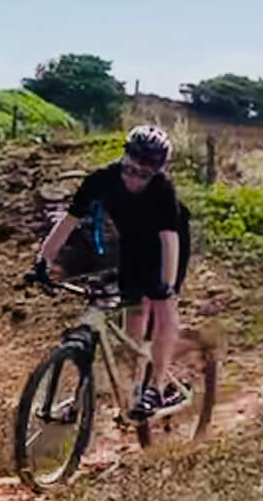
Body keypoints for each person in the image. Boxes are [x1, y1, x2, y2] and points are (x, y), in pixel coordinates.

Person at [32, 125, 192, 420]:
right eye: (129, 169)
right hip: (132, 244)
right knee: (133, 319)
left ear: (157, 171)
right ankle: (132, 388)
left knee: (161, 304)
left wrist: (166, 286)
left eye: (143, 174)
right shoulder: (101, 180)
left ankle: (155, 388)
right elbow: (68, 222)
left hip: (168, 245)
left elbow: (169, 240)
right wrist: (42, 261)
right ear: (124, 157)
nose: (133, 179)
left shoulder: (163, 190)